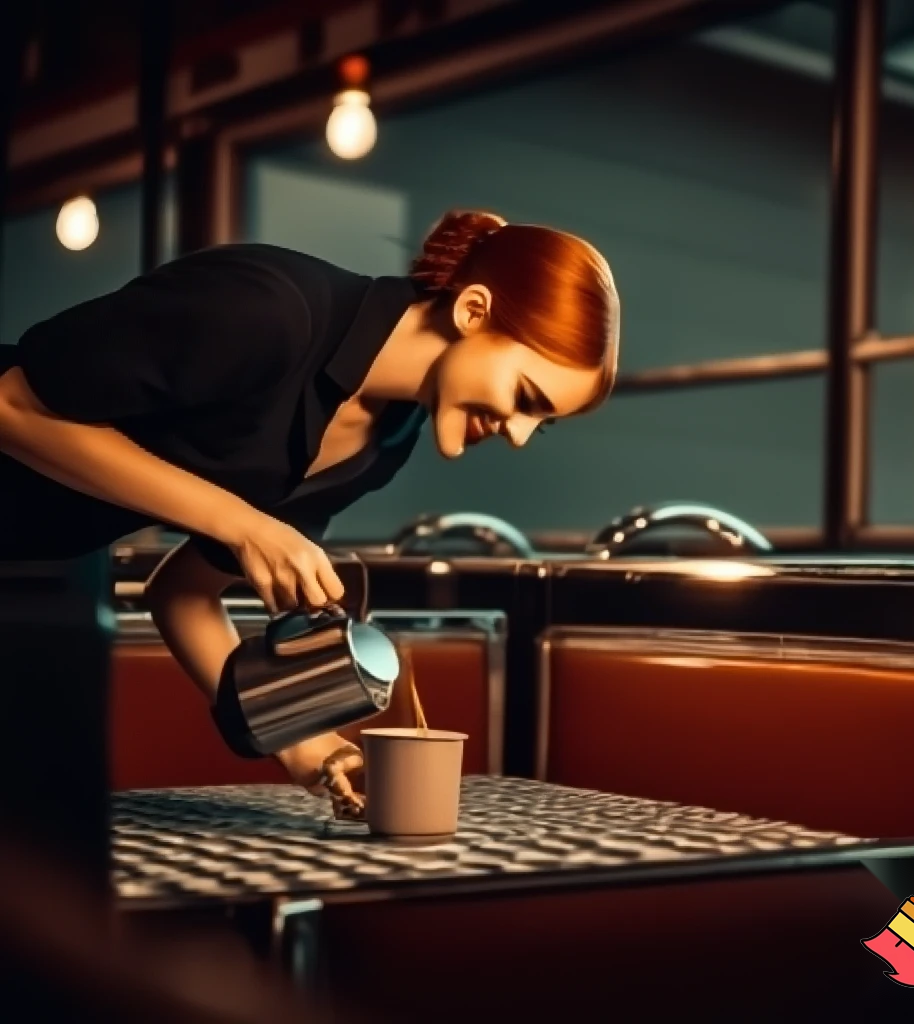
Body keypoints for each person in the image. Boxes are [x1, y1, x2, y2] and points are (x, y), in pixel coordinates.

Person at [0, 210, 620, 810]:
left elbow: (185, 596)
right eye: (525, 397)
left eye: (539, 426)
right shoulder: (269, 310)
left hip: (37, 569)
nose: (515, 434)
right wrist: (241, 523)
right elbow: (13, 407)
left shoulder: (383, 447)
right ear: (472, 310)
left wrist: (312, 751)